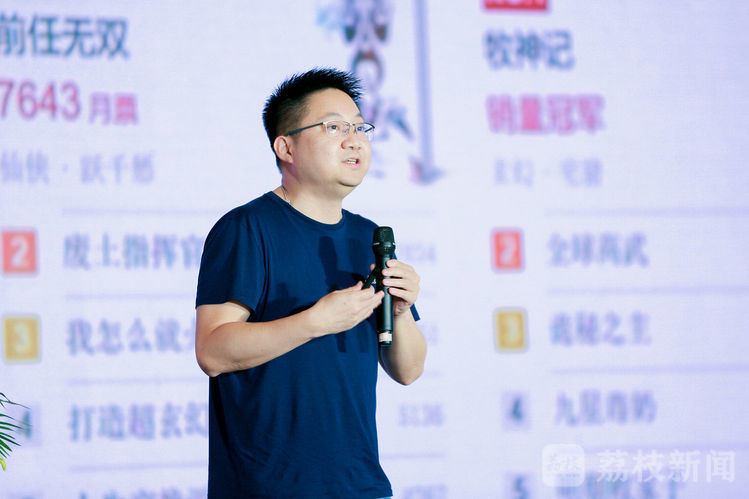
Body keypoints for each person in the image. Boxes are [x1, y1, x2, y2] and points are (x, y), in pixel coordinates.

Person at [194, 68, 427, 498]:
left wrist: (400, 313)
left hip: (360, 485)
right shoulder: (247, 229)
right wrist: (315, 322)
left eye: (360, 127)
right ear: (286, 147)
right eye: (334, 127)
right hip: (268, 488)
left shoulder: (368, 236)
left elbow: (408, 370)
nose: (354, 140)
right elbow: (212, 351)